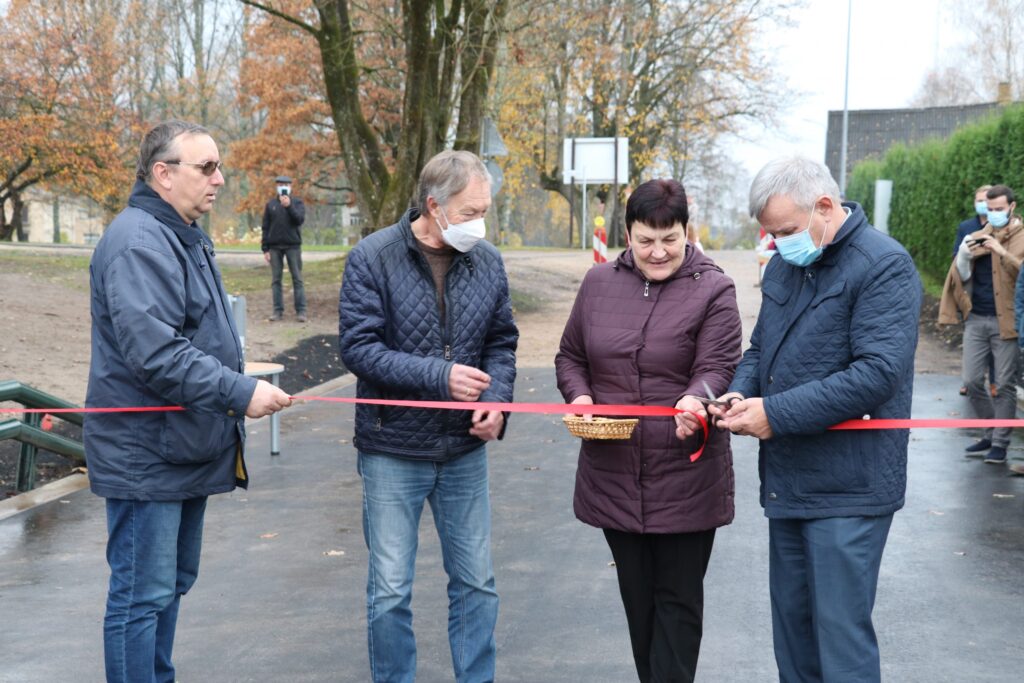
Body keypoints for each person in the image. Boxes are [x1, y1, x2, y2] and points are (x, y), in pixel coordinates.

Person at [85, 120, 293, 682]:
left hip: (182, 447)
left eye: (218, 166)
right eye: (206, 167)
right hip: (145, 453)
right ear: (163, 173)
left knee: (168, 587)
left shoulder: (180, 233)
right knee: (141, 596)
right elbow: (155, 354)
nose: (219, 179)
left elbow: (194, 334)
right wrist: (240, 390)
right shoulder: (136, 241)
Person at [709, 156, 921, 683]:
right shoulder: (786, 262)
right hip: (791, 482)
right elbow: (762, 348)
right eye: (772, 234)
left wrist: (774, 414)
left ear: (825, 207)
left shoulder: (884, 266)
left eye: (785, 230)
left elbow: (876, 374)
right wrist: (739, 395)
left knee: (840, 639)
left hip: (851, 484)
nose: (779, 243)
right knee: (795, 636)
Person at [338, 150, 518, 683]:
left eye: (484, 211)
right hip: (392, 449)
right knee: (391, 590)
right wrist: (440, 377)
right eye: (468, 213)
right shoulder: (372, 257)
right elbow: (359, 349)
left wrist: (497, 402)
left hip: (464, 451)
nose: (478, 225)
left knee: (477, 584)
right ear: (434, 206)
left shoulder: (486, 261)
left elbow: (501, 343)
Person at [555, 178, 742, 683]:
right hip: (613, 474)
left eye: (670, 240)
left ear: (687, 232)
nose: (658, 252)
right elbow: (571, 355)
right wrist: (581, 397)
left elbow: (720, 363)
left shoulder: (714, 288)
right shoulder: (598, 285)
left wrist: (696, 396)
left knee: (678, 604)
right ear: (628, 234)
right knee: (638, 606)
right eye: (645, 240)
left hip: (685, 476)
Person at [940, 184, 1024, 464]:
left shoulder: (1022, 236)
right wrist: (963, 257)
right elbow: (960, 277)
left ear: (1012, 207)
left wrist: (1000, 250)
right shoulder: (976, 235)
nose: (993, 214)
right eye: (990, 209)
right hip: (976, 318)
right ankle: (990, 431)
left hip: (1007, 322)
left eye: (999, 209)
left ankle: (1000, 443)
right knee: (972, 381)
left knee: (1004, 384)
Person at [952, 185, 992, 397]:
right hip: (973, 294)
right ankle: (970, 380)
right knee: (973, 343)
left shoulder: (1003, 230)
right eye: (979, 200)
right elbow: (956, 256)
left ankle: (994, 382)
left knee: (998, 345)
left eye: (986, 200)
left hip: (996, 295)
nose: (982, 204)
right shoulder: (966, 227)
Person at [262, 174, 308, 322]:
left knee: (297, 279)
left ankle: (301, 311)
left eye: (286, 185)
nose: (283, 187)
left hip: (293, 246)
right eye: (280, 184)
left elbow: (299, 220)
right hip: (274, 247)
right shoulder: (270, 205)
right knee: (276, 280)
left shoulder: (297, 203)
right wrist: (265, 249)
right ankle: (277, 311)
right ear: (277, 187)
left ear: (290, 187)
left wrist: (289, 207)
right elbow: (265, 227)